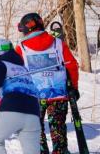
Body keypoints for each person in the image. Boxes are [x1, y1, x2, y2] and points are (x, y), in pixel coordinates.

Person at [15, 13, 79, 154]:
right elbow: (71, 65)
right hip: (58, 94)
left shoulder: (21, 48)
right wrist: (73, 87)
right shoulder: (58, 43)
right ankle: (60, 151)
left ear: (26, 30)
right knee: (58, 128)